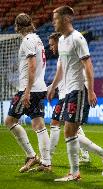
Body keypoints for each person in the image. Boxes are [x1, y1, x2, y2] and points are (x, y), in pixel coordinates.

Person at [48, 6, 103, 181]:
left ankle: (75, 173)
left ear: (66, 19)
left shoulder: (78, 39)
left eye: (55, 18)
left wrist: (91, 91)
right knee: (72, 132)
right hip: (67, 91)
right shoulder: (61, 40)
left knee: (70, 132)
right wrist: (53, 86)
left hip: (78, 90)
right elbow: (61, 67)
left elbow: (89, 66)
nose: (53, 22)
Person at [4, 13, 51, 172]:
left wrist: (27, 92)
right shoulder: (37, 39)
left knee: (10, 121)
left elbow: (32, 66)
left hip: (28, 89)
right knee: (38, 124)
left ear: (17, 27)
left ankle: (31, 156)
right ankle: (46, 163)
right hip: (39, 87)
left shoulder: (27, 41)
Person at [48, 32, 91, 163]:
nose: (51, 47)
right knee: (73, 127)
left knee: (57, 124)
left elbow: (77, 73)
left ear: (58, 42)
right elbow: (61, 74)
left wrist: (53, 87)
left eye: (52, 44)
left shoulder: (67, 53)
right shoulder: (63, 55)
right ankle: (87, 153)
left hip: (69, 94)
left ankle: (48, 157)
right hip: (67, 94)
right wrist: (53, 85)